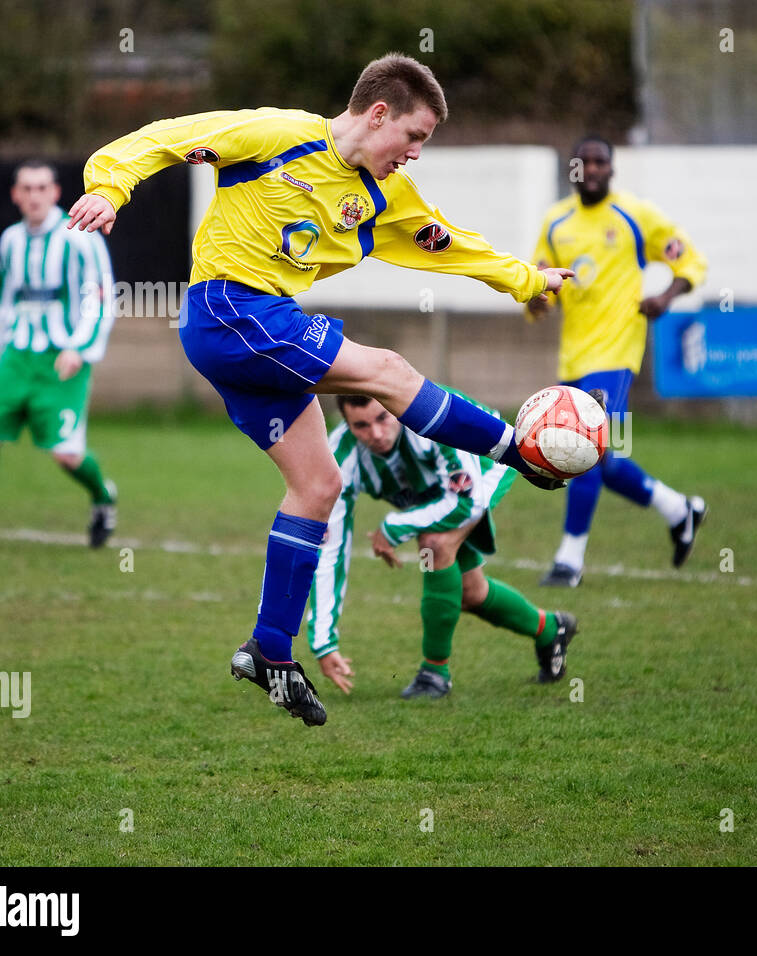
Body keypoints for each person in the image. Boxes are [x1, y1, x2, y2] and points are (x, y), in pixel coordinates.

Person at [67, 53, 575, 727]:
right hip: (231, 310)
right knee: (388, 372)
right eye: (414, 137)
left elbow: (450, 244)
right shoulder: (279, 134)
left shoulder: (385, 196)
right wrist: (112, 186)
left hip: (257, 336)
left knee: (319, 486)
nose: (416, 154)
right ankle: (517, 453)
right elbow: (159, 138)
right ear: (378, 114)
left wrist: (526, 280)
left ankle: (269, 649)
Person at [306, 394, 579, 699]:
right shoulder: (341, 456)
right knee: (469, 593)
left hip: (484, 463)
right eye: (361, 425)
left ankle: (434, 674)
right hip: (436, 489)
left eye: (383, 418)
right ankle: (550, 629)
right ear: (346, 422)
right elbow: (330, 546)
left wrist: (393, 528)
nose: (377, 434)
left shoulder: (429, 419)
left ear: (394, 408)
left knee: (433, 546)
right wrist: (323, 641)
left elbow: (464, 502)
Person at [529, 135, 709, 588]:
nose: (591, 169)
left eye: (600, 162)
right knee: (604, 457)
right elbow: (539, 283)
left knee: (582, 451)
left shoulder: (636, 216)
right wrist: (535, 302)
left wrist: (667, 296)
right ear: (572, 169)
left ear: (612, 168)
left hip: (616, 356)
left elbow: (691, 261)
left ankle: (569, 560)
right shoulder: (556, 221)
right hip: (573, 357)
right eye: (583, 162)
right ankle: (679, 510)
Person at [0, 159, 118, 556]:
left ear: (56, 193)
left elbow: (101, 297)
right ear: (16, 195)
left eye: (42, 188)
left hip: (61, 358)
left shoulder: (79, 237)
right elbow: (4, 302)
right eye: (27, 188)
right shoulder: (10, 240)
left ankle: (103, 495)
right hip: (16, 357)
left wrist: (80, 347)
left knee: (66, 454)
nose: (34, 195)